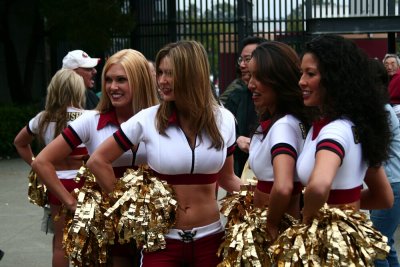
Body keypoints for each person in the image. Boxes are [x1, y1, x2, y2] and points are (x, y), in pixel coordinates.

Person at [86, 40, 242, 266]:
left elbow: (227, 178)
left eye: (170, 73)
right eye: (160, 73)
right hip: (162, 243)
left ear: (192, 75)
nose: (162, 81)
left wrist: (265, 199)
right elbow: (98, 160)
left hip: (211, 240)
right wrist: (129, 208)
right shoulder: (147, 118)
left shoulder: (224, 119)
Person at [32, 49, 159, 267]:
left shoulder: (160, 119)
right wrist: (72, 203)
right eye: (108, 80)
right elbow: (41, 162)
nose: (112, 87)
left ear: (140, 81)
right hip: (106, 223)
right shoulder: (90, 120)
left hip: (152, 218)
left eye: (121, 80)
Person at [297, 34, 393, 225]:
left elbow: (318, 186)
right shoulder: (354, 125)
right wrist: (345, 204)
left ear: (334, 79)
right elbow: (384, 197)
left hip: (327, 248)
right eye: (302, 73)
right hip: (344, 244)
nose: (301, 81)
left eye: (311, 74)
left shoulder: (334, 132)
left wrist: (306, 219)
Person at [14, 68, 88, 267]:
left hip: (55, 184)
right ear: (77, 90)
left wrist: (36, 165)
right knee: (91, 242)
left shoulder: (42, 119)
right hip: (85, 184)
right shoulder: (88, 116)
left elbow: (19, 143)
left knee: (60, 244)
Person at [247, 41, 308, 239]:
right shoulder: (283, 121)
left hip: (279, 236)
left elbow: (283, 187)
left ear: (278, 80)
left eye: (259, 77)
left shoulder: (283, 126)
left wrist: (271, 225)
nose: (250, 84)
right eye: (250, 76)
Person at [369, 58, 400, 267]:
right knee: (384, 243)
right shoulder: (381, 109)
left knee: (375, 246)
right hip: (390, 182)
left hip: (392, 184)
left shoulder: (380, 112)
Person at [221, 36, 267, 176]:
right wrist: (237, 138)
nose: (242, 65)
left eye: (248, 59)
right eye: (241, 59)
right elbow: (220, 131)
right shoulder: (235, 96)